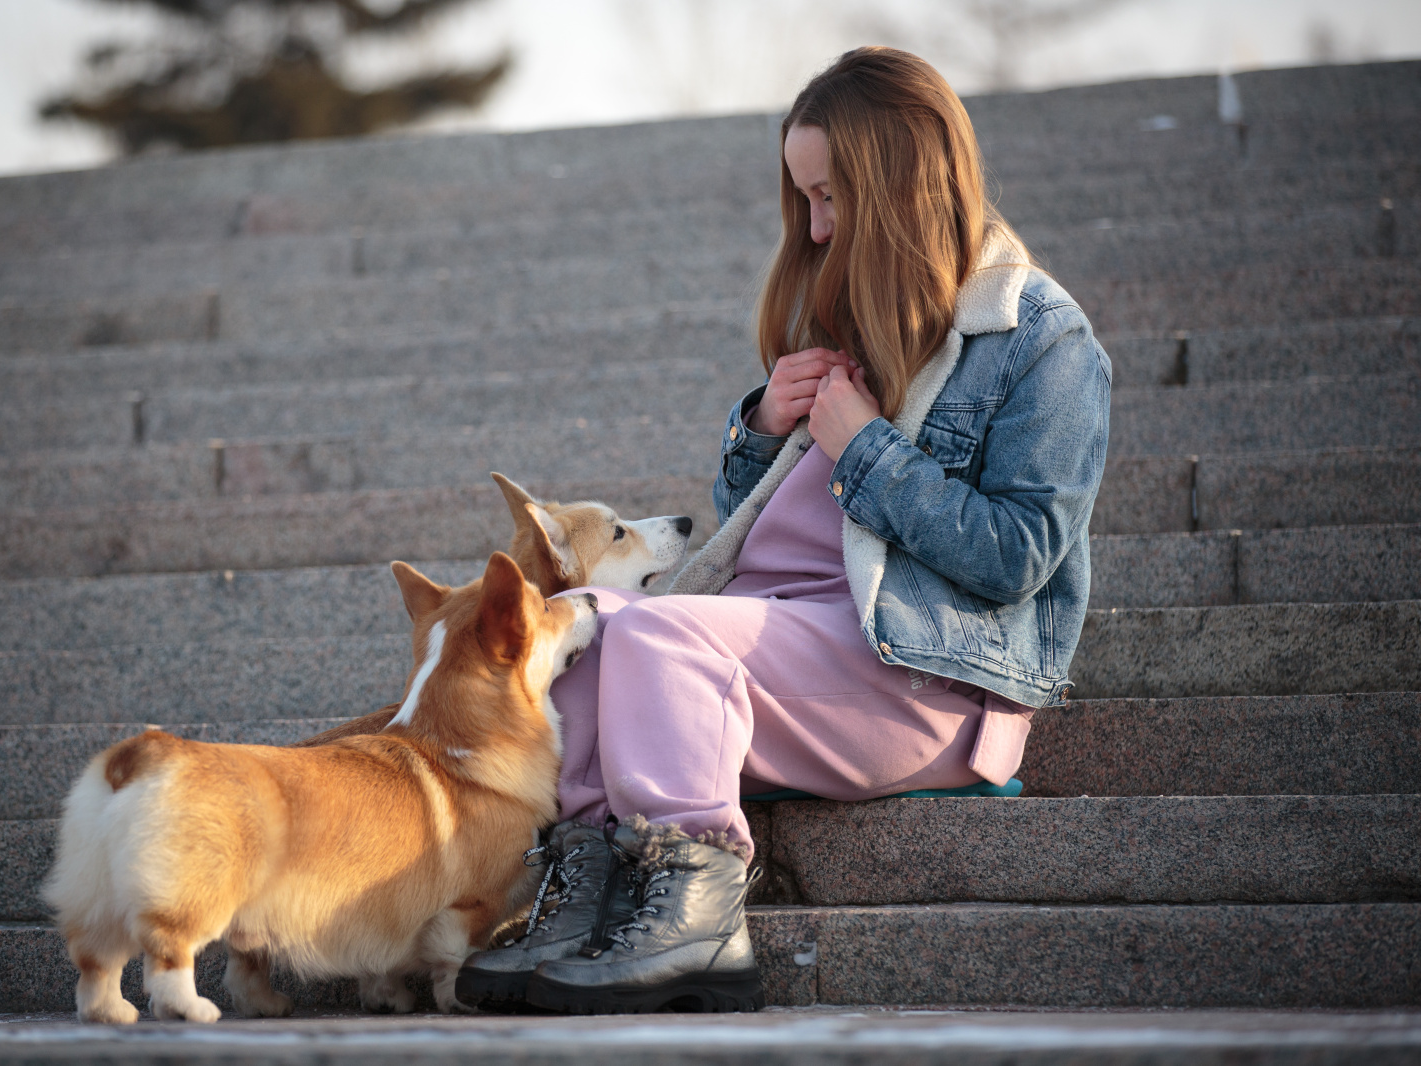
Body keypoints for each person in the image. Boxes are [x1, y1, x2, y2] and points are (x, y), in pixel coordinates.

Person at [456, 46, 1111, 1015]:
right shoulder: (847, 312)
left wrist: (866, 450)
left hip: (921, 684)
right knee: (581, 619)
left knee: (660, 631)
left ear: (900, 183)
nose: (812, 225)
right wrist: (763, 425)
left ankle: (698, 901)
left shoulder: (1042, 343)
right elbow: (762, 526)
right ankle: (592, 882)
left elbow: (1015, 559)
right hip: (786, 647)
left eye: (829, 196)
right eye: (803, 197)